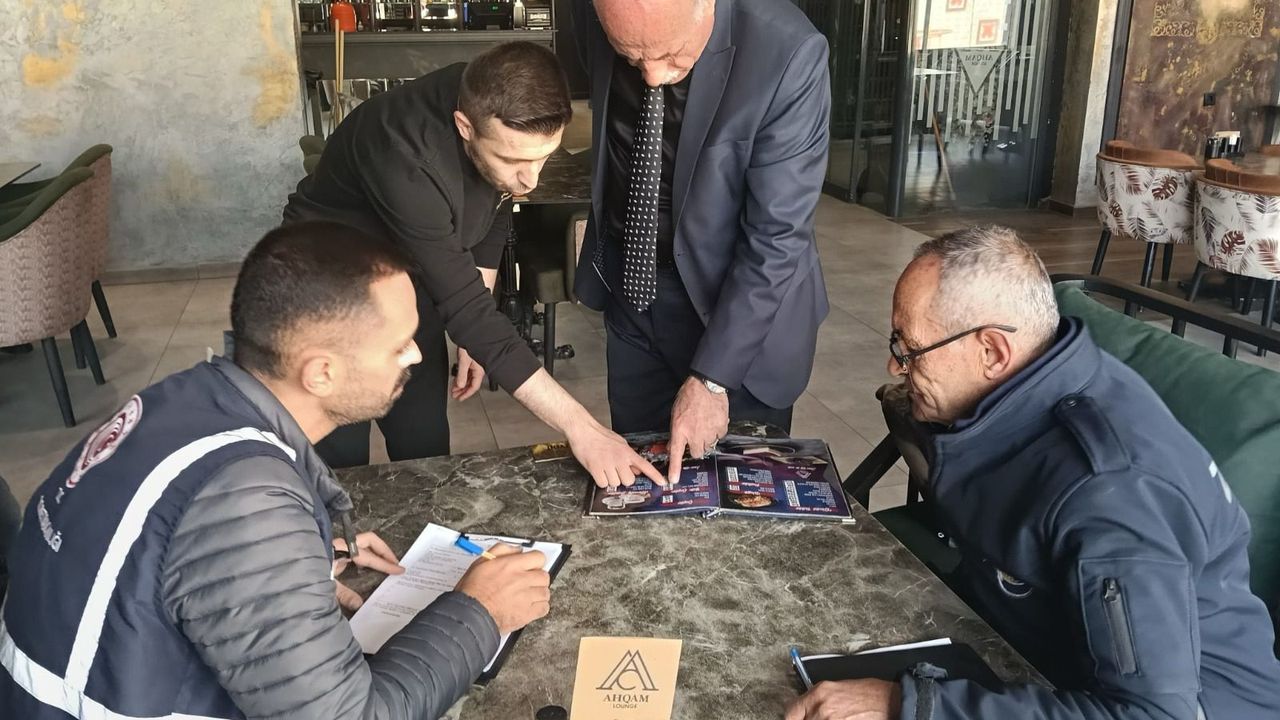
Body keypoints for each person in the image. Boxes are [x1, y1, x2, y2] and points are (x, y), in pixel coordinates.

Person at [1, 222, 555, 719]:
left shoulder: (184, 397)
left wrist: (290, 564)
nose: (416, 356)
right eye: (398, 346)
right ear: (320, 373)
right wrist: (479, 612)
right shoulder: (246, 507)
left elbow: (164, 548)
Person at [786, 227, 1280, 719]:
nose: (896, 367)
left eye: (910, 349)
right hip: (1040, 656)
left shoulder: (1110, 492)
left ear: (992, 352)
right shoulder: (1027, 391)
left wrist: (912, 705)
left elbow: (1153, 714)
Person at [284, 40, 662, 489]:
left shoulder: (486, 92)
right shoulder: (407, 158)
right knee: (341, 454)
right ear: (465, 127)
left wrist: (473, 332)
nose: (531, 179)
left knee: (423, 438)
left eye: (542, 157)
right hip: (328, 282)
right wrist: (582, 427)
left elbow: (499, 202)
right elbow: (466, 311)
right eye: (514, 160)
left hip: (408, 271)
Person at [572, 0, 832, 483]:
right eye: (631, 57)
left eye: (670, 55)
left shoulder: (787, 51)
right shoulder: (599, 13)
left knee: (738, 494)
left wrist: (712, 379)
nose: (652, 77)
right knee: (642, 483)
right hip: (634, 292)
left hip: (740, 316)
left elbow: (776, 238)